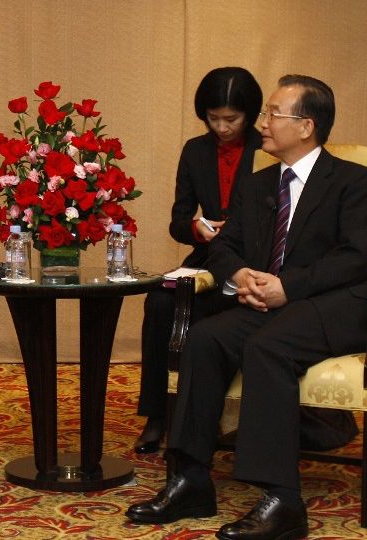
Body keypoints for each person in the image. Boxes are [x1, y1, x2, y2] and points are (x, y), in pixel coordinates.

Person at [126, 75, 367, 540]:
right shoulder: (258, 184)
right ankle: (189, 480)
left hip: (333, 305)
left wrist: (287, 286)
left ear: (305, 126)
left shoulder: (354, 181)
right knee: (203, 339)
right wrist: (240, 275)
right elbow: (227, 246)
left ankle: (283, 499)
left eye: (272, 114)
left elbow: (355, 256)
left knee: (268, 347)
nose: (261, 123)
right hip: (271, 302)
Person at [135, 67, 263, 454]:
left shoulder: (268, 147)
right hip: (208, 253)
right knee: (159, 301)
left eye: (232, 119)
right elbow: (178, 221)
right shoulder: (196, 151)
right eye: (213, 118)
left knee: (215, 311)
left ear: (251, 113)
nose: (222, 127)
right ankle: (159, 413)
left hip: (254, 257)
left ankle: (214, 414)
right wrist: (197, 228)